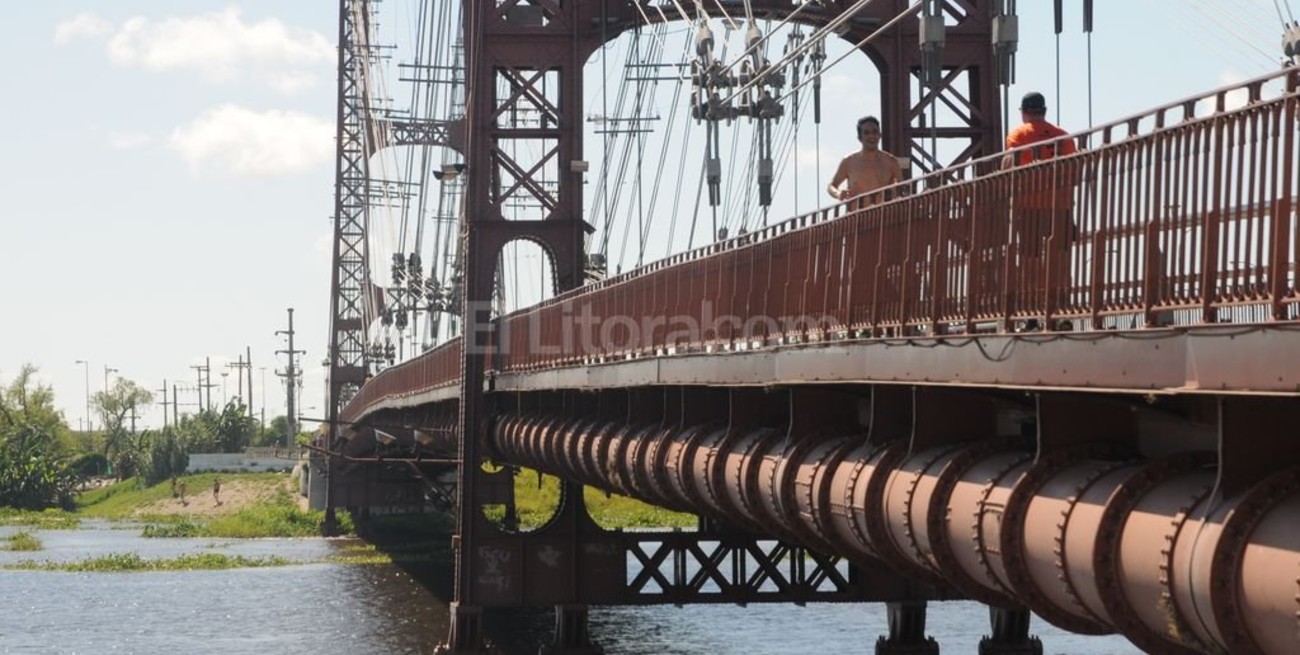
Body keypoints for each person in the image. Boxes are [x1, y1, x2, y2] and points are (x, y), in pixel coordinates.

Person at [1002, 91, 1078, 326]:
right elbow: (1073, 169)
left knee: (1030, 262)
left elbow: (1009, 168)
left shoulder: (1018, 135)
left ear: (1024, 112)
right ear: (1044, 111)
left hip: (1029, 208)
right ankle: (1062, 312)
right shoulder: (1063, 136)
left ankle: (1033, 314)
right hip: (1061, 207)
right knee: (1061, 262)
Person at [827, 116, 902, 207]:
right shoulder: (849, 162)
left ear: (880, 135)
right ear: (860, 138)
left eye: (875, 132)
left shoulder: (891, 162)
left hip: (883, 217)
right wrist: (838, 194)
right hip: (856, 217)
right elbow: (831, 186)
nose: (871, 136)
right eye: (866, 133)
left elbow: (901, 189)